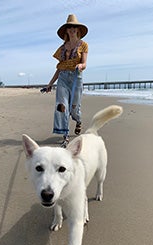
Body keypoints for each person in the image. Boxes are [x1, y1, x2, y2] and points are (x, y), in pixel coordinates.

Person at [46, 14, 88, 147]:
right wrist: (50, 84)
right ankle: (65, 136)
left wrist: (80, 66)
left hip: (77, 76)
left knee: (74, 108)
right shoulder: (62, 48)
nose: (72, 29)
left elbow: (85, 63)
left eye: (74, 27)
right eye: (69, 27)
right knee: (62, 106)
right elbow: (59, 68)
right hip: (63, 78)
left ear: (78, 30)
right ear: (66, 31)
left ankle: (78, 121)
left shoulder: (84, 45)